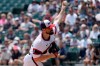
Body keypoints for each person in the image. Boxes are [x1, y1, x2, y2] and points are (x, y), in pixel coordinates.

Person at [23, 1, 67, 66]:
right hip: (31, 60)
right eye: (49, 27)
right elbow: (36, 59)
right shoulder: (39, 42)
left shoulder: (52, 31)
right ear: (43, 30)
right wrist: (51, 55)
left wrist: (63, 9)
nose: (51, 28)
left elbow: (57, 20)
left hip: (37, 59)